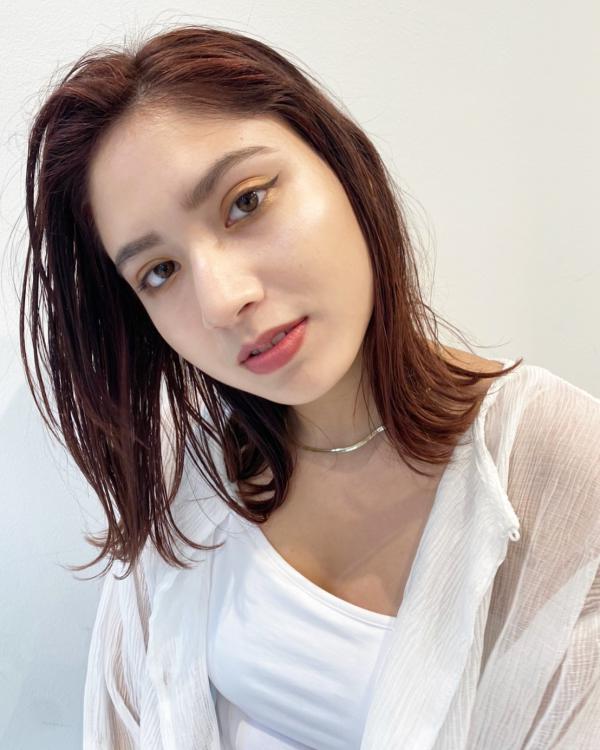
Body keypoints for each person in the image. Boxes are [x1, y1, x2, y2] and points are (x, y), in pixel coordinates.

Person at [19, 24, 599, 750]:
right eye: (159, 272)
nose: (222, 299)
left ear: (340, 163)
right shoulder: (188, 470)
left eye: (245, 203)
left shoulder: (556, 462)